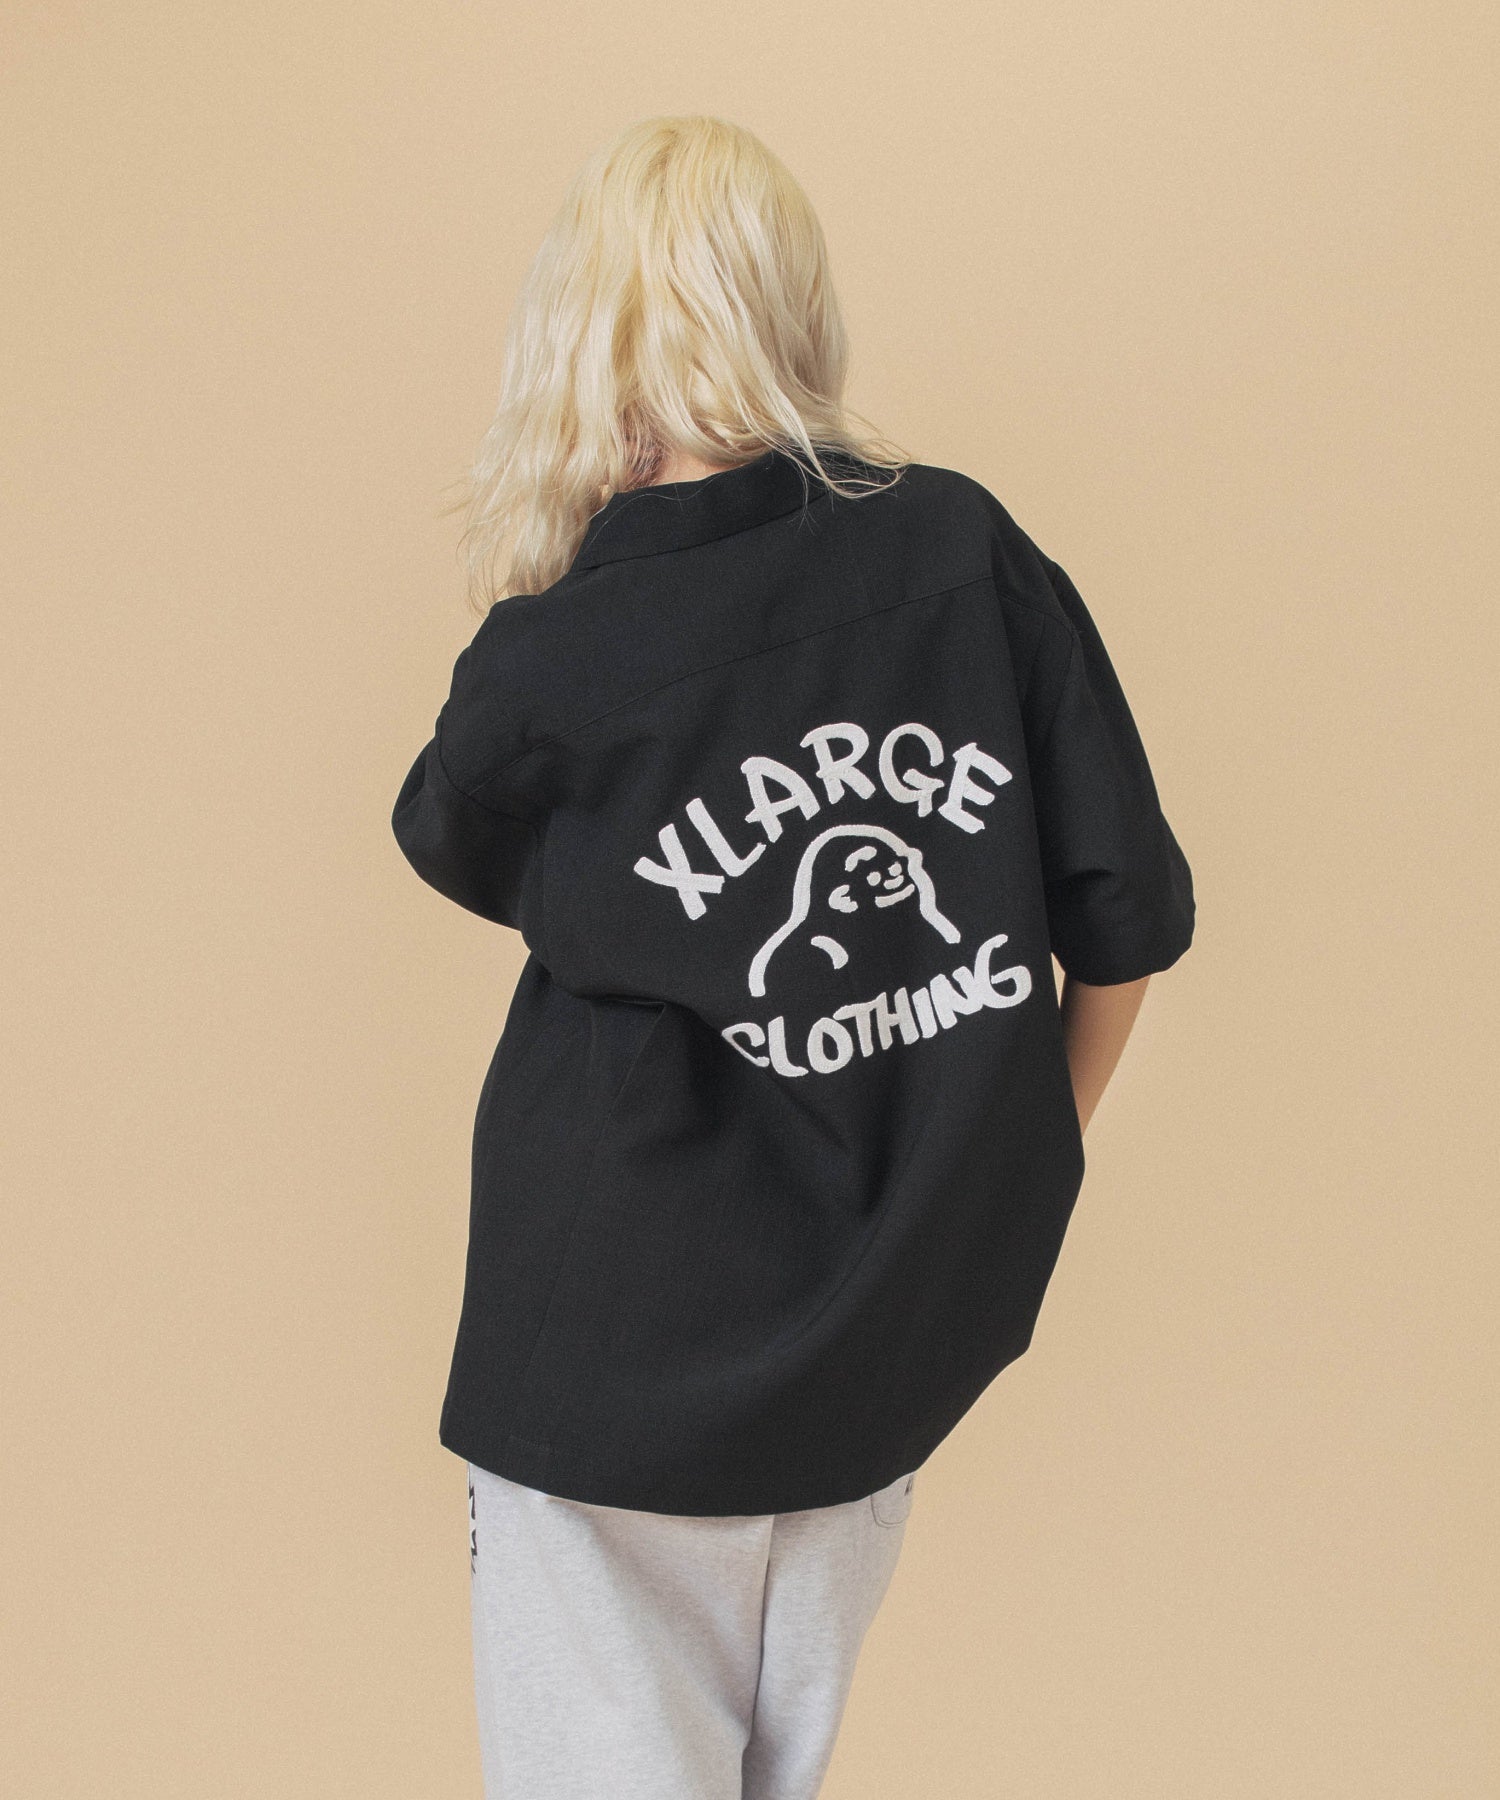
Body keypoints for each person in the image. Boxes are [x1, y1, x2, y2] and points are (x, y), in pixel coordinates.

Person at [391, 113, 1195, 1800]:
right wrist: (1003, 1164)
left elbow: (451, 832)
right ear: (794, 310)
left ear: (584, 335)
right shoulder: (961, 550)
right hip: (885, 1351)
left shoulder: (562, 654)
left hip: (604, 1370)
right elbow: (1126, 917)